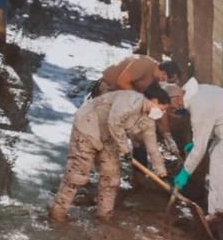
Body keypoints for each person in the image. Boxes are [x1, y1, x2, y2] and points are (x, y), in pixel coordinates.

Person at [48, 84, 171, 222]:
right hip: (88, 126)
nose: (163, 113)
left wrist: (161, 172)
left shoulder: (148, 121)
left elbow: (152, 147)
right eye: (162, 109)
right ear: (154, 101)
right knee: (78, 173)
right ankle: (57, 213)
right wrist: (125, 148)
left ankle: (104, 217)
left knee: (111, 177)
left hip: (109, 137)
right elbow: (115, 121)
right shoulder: (132, 100)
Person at [172, 78, 223, 220]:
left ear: (177, 98)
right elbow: (207, 123)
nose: (173, 110)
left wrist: (185, 172)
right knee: (218, 156)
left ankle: (218, 211)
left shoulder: (198, 105)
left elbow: (199, 149)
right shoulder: (197, 92)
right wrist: (196, 142)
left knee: (220, 160)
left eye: (172, 107)